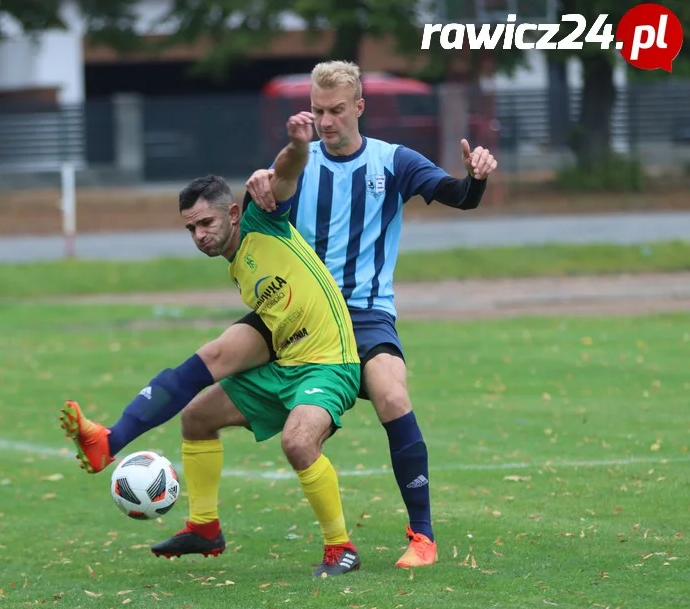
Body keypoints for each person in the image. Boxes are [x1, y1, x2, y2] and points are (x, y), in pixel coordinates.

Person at [62, 59, 499, 569]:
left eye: (337, 110)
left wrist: (476, 179)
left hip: (364, 313)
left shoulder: (393, 161)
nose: (327, 120)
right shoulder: (295, 164)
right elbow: (276, 183)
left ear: (359, 107)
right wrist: (283, 157)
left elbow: (460, 197)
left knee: (392, 395)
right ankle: (117, 444)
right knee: (209, 368)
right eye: (317, 110)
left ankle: (422, 536)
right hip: (290, 309)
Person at [64, 112, 365, 577]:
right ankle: (201, 526)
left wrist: (297, 144)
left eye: (205, 222)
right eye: (190, 229)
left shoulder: (263, 221)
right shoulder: (237, 265)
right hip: (286, 363)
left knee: (297, 440)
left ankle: (340, 548)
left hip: (330, 364)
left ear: (231, 212)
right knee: (198, 414)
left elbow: (284, 175)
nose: (199, 235)